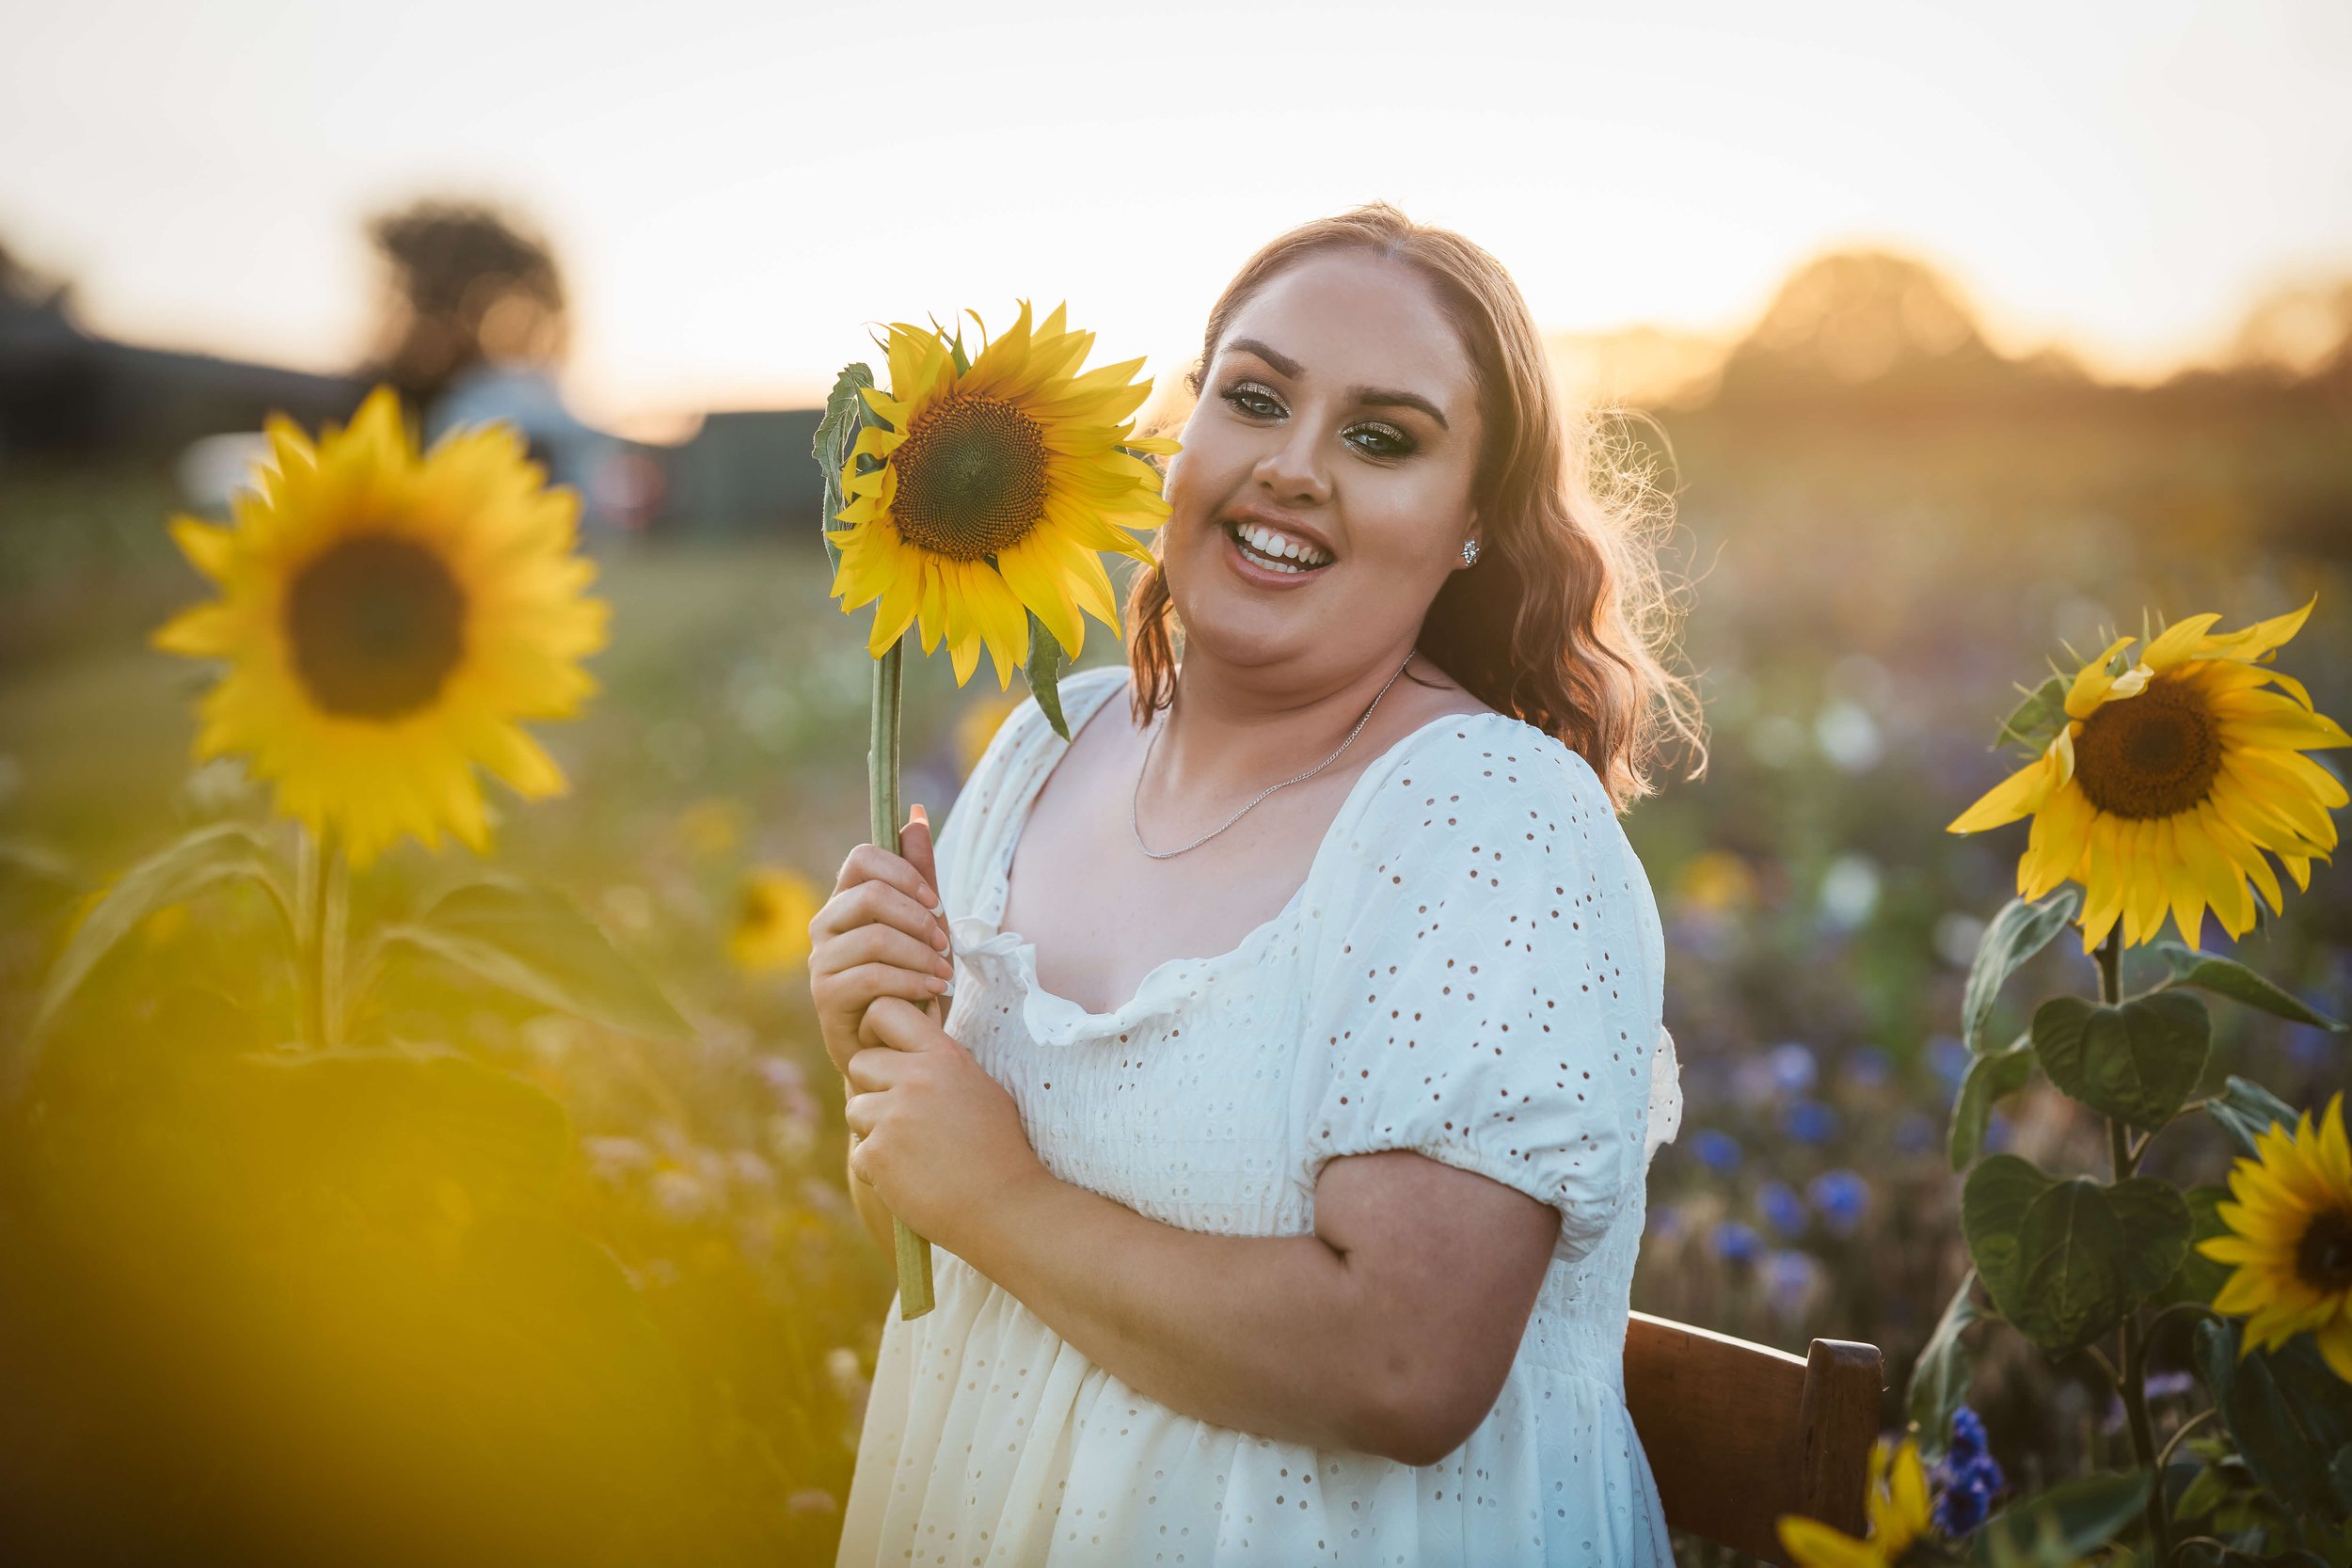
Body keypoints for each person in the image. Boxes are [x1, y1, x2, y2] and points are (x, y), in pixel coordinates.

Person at [811, 201, 1704, 1566]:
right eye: (1256, 398)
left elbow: (1403, 1367)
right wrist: (875, 1060)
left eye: (1381, 437)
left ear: (1475, 522)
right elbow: (941, 1244)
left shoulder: (1487, 819)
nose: (1294, 467)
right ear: (1184, 434)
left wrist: (993, 1195)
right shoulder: (1046, 748)